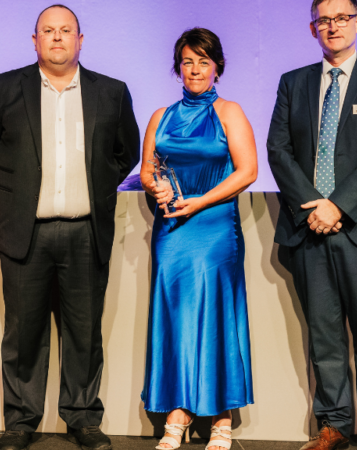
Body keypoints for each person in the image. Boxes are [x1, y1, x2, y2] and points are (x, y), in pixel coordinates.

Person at [0, 4, 140, 450]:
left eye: (67, 31)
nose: (58, 37)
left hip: (86, 231)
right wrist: (15, 194)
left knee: (84, 333)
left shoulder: (112, 91)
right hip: (27, 232)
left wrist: (97, 188)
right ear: (35, 40)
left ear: (81, 40)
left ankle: (82, 418)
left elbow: (126, 152)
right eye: (49, 30)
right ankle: (21, 421)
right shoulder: (5, 88)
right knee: (23, 334)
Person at [266, 1, 357, 449]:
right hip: (308, 227)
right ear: (313, 29)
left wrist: (338, 207)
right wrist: (313, 208)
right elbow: (278, 150)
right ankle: (334, 424)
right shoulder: (293, 83)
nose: (333, 26)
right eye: (324, 19)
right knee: (324, 334)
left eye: (341, 17)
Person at [140, 28, 257, 450]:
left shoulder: (229, 111)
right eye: (187, 61)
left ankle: (220, 415)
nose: (195, 69)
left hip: (213, 228)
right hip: (171, 229)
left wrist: (199, 201)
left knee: (215, 314)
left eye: (203, 62)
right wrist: (156, 188)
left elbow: (247, 171)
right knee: (175, 316)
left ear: (217, 68)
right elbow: (148, 169)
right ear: (178, 67)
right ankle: (178, 411)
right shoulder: (161, 116)